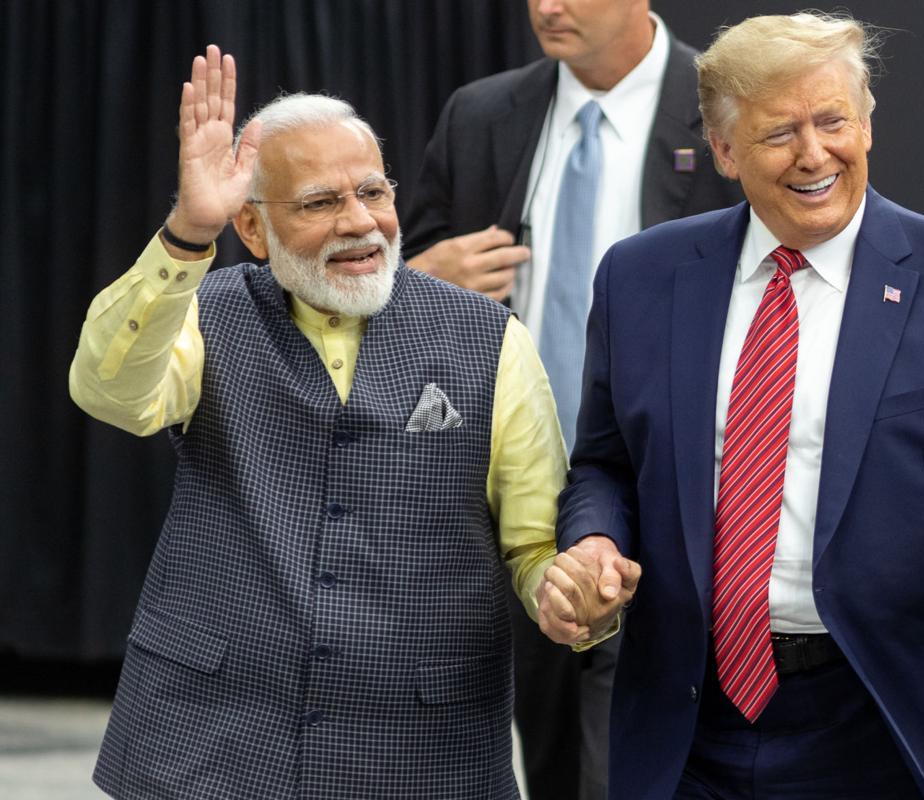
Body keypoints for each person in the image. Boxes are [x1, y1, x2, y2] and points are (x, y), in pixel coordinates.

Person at [539, 11, 924, 800]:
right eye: (779, 134)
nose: (815, 155)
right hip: (690, 724)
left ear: (867, 123)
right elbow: (605, 461)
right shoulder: (641, 278)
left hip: (896, 724)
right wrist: (595, 541)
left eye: (833, 121)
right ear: (726, 150)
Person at [69, 45, 566, 799]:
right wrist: (185, 235)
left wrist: (572, 594)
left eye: (373, 191)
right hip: (208, 741)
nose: (361, 222)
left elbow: (535, 543)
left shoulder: (490, 338)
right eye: (320, 202)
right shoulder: (204, 312)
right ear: (253, 228)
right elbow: (109, 391)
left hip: (423, 749)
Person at [401, 2, 742, 797]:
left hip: (672, 491)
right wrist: (425, 280)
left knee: (632, 764)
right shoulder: (482, 114)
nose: (547, 6)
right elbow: (390, 284)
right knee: (550, 754)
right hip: (517, 495)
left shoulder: (727, 104)